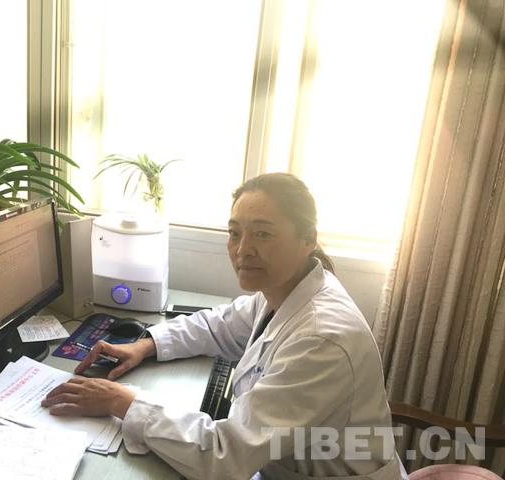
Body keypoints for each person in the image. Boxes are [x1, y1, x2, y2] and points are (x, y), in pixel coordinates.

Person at [42, 173, 405, 480]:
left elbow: (224, 458)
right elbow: (218, 325)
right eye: (234, 233)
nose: (243, 249)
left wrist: (123, 401)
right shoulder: (285, 289)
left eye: (263, 234)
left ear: (307, 239)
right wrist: (146, 344)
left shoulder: (321, 339)